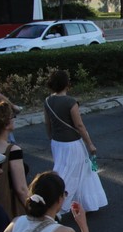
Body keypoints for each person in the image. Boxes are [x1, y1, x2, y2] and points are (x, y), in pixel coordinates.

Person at [43, 71, 107, 216]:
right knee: (72, 174)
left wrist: (51, 138)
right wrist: (90, 144)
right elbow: (79, 125)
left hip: (57, 142)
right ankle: (58, 206)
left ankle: (82, 203)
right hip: (72, 143)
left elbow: (48, 123)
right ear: (67, 84)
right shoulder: (70, 102)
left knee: (66, 169)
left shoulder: (47, 101)